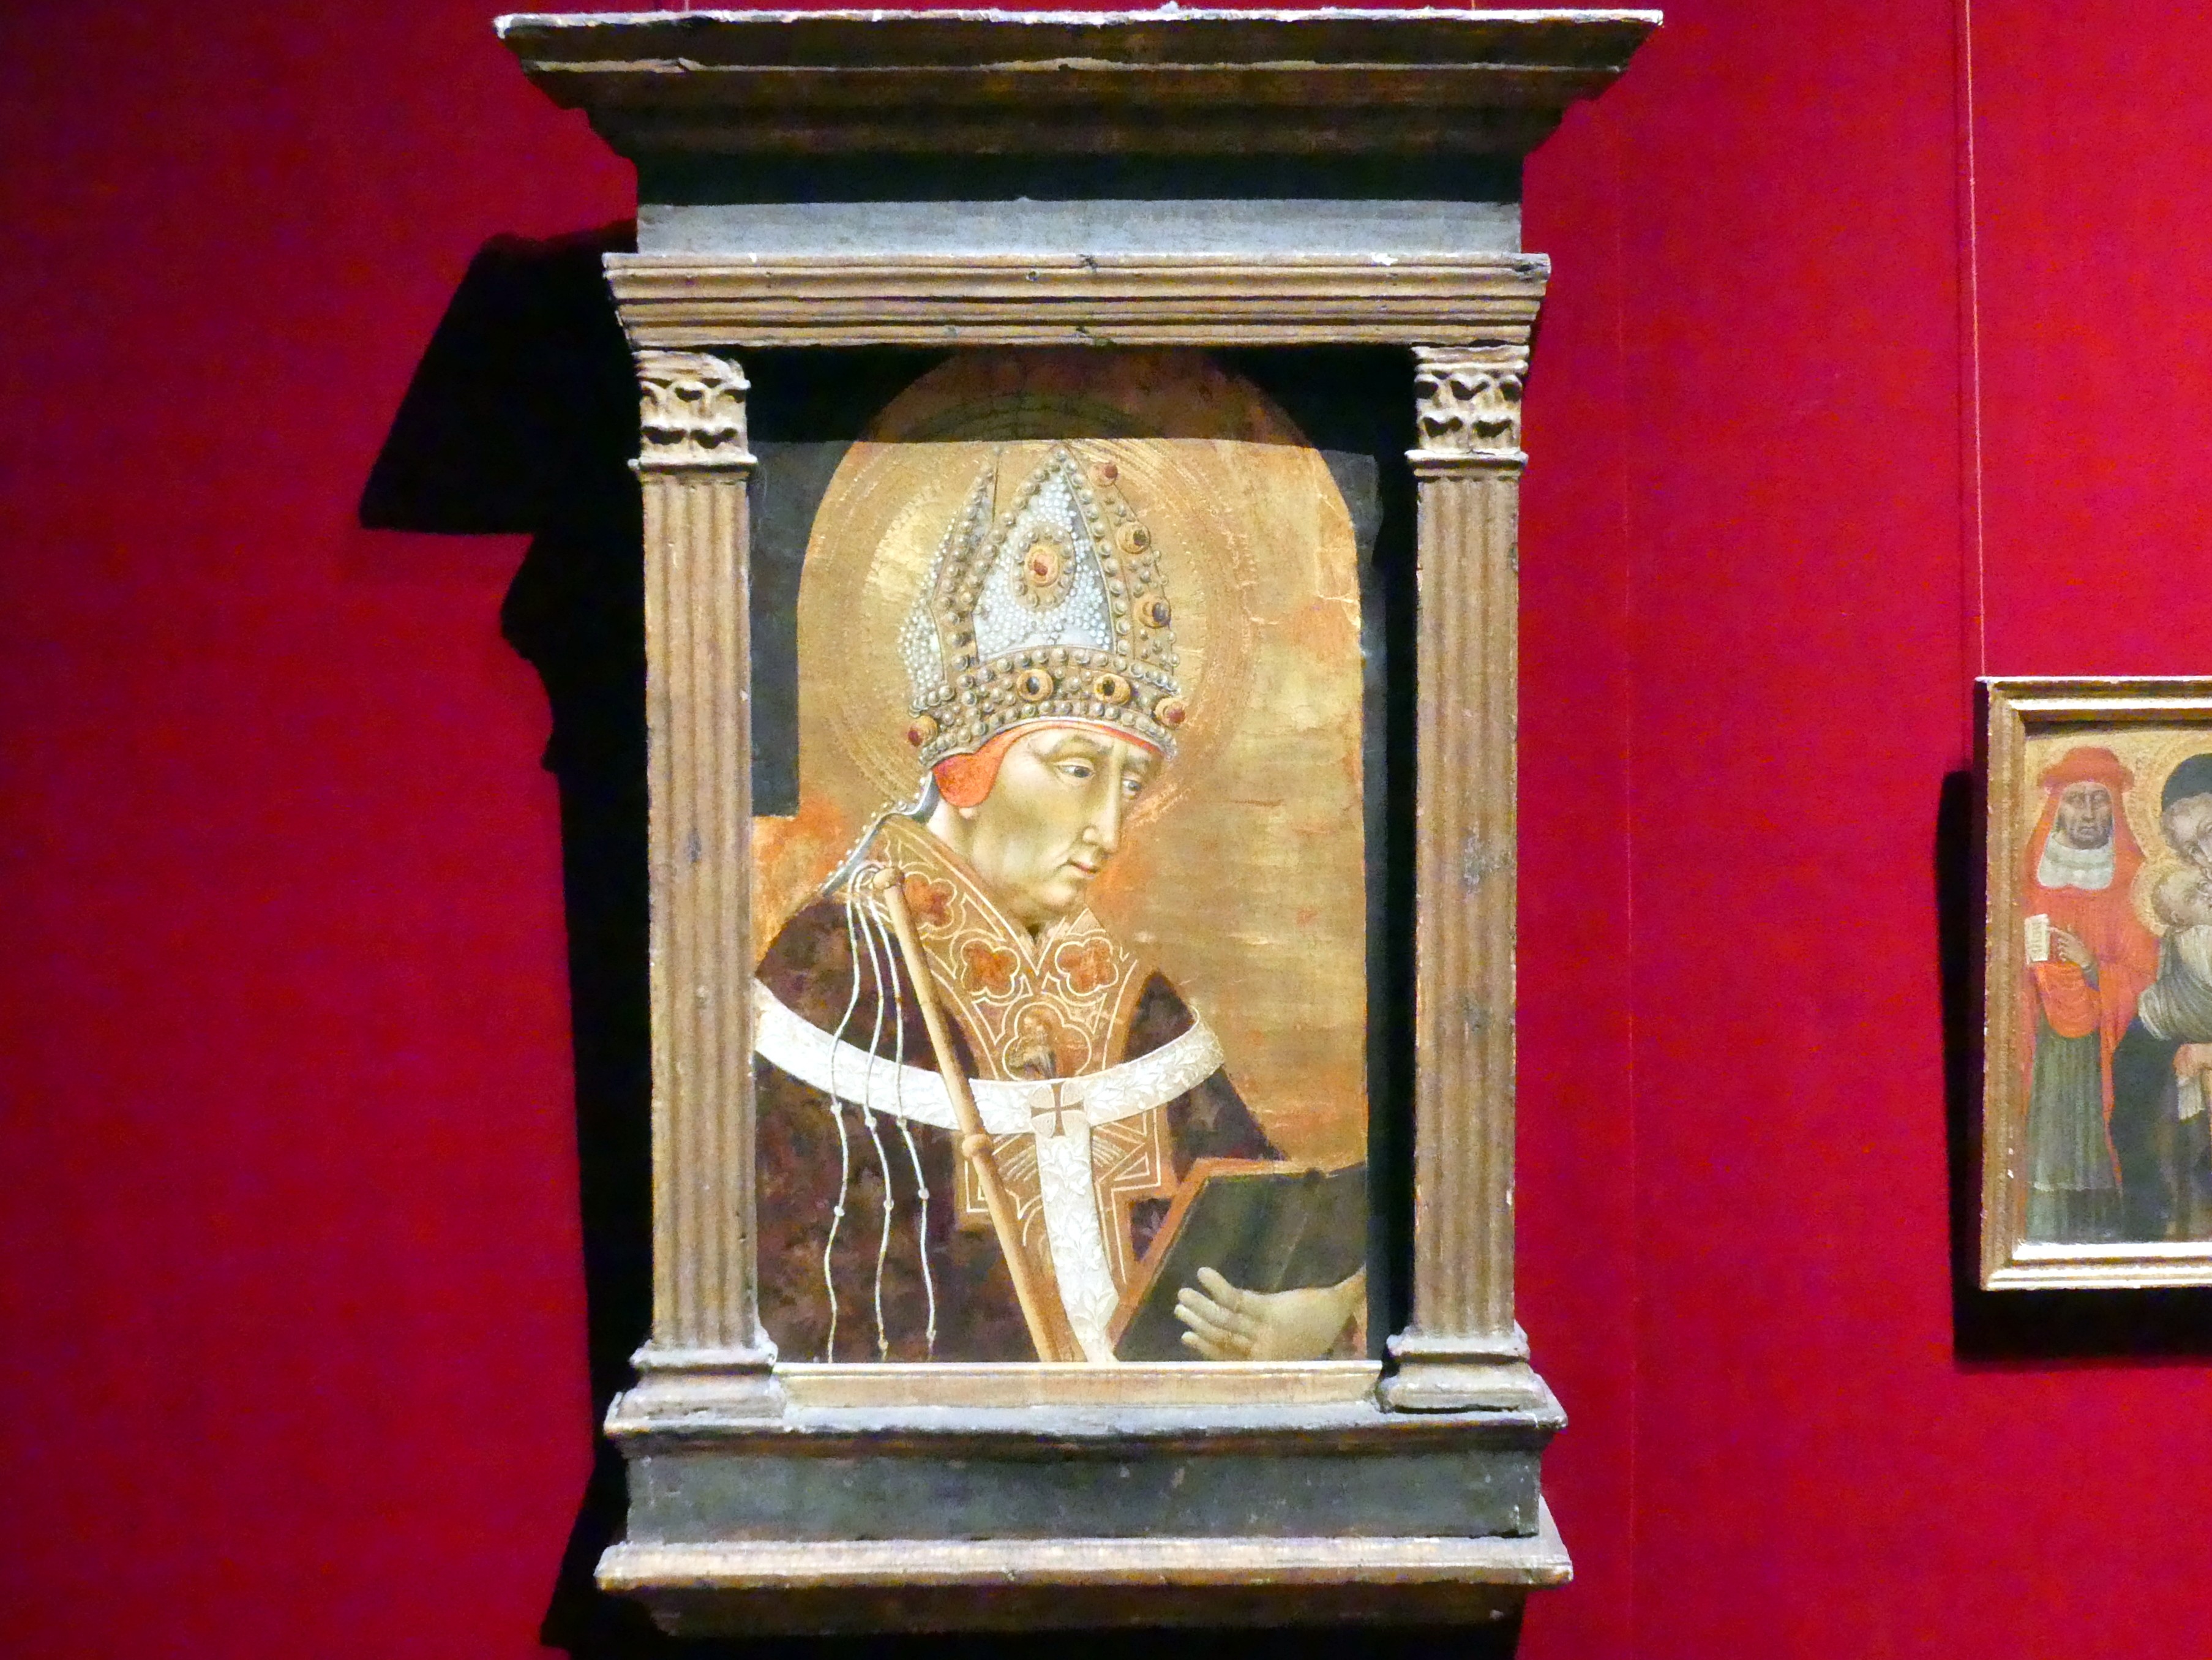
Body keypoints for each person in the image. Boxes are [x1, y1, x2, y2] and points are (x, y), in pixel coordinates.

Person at [751, 445, 1365, 1362]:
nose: (1107, 830)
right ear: (963, 772)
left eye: (1131, 784)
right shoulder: (835, 982)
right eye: (1077, 770)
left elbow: (1277, 1244)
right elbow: (797, 1310)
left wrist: (1315, 1317)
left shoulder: (1136, 1005)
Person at [2018, 746, 2156, 1241]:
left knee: (2098, 1140)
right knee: (2047, 1142)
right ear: (2057, 807)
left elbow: (2146, 976)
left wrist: (2092, 967)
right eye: (2077, 800)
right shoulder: (2028, 883)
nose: (2088, 813)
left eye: (2099, 800)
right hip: (2044, 1044)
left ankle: (2103, 1238)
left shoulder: (2134, 883)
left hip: (2104, 1049)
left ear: (2114, 808)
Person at [2109, 755, 2212, 1237]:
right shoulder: (2193, 895)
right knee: (2132, 1117)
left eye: (2209, 833)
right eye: (2189, 849)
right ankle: (2150, 1227)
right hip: (2160, 1026)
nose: (2203, 857)